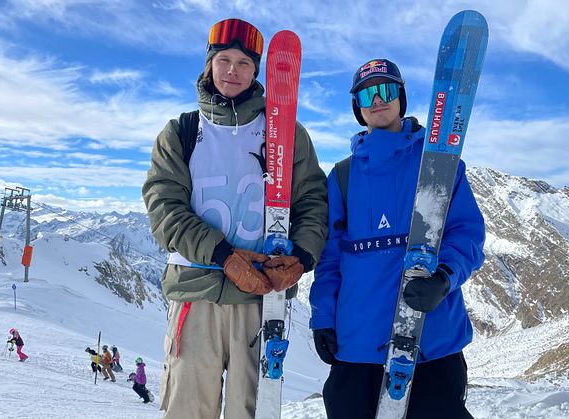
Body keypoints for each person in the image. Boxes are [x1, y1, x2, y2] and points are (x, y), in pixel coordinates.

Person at [142, 18, 327, 419]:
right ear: (209, 65)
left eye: (244, 63)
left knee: (253, 410)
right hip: (196, 291)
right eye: (223, 59)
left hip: (261, 298)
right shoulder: (182, 132)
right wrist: (225, 255)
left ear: (256, 72)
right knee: (187, 408)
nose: (232, 70)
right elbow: (164, 208)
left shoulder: (285, 132)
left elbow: (312, 200)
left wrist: (302, 258)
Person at [309, 59, 485, 419]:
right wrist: (322, 316)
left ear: (401, 97)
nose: (377, 100)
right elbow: (330, 258)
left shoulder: (438, 162)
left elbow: (466, 233)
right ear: (357, 106)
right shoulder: (342, 175)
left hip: (430, 337)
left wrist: (444, 277)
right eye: (366, 94)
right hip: (358, 342)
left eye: (386, 90)